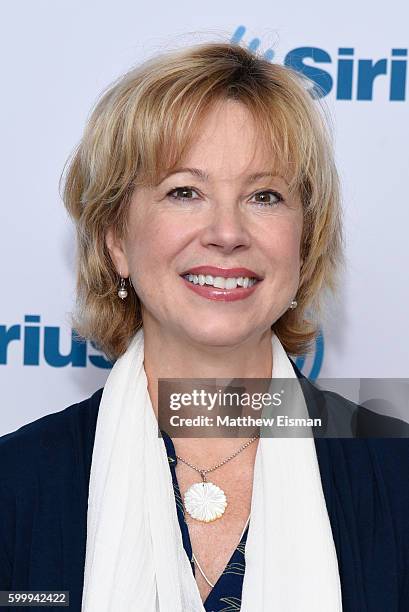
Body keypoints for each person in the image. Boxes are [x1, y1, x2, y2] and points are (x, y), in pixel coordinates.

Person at [0, 41, 408, 612]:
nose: (226, 231)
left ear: (303, 243)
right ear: (116, 240)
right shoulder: (14, 486)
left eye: (265, 196)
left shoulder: (396, 475)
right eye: (184, 192)